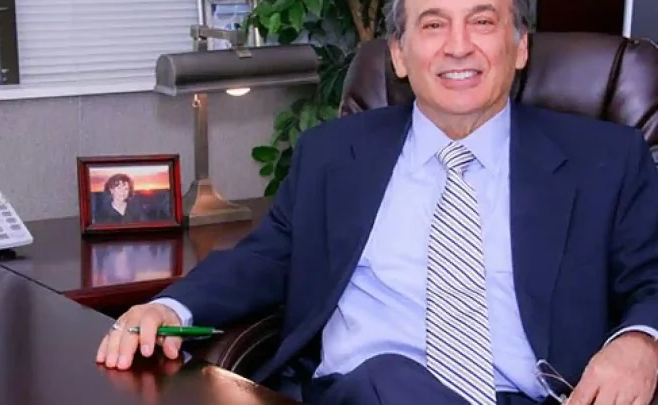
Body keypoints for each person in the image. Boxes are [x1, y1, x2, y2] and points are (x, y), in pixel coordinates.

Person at [96, 0, 658, 404]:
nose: (458, 45)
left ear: (520, 47)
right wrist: (172, 308)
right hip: (360, 391)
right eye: (432, 24)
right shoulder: (333, 155)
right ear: (399, 55)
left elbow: (652, 277)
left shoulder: (605, 159)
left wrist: (640, 342)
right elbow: (267, 256)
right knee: (387, 376)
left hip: (531, 395)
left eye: (483, 21)